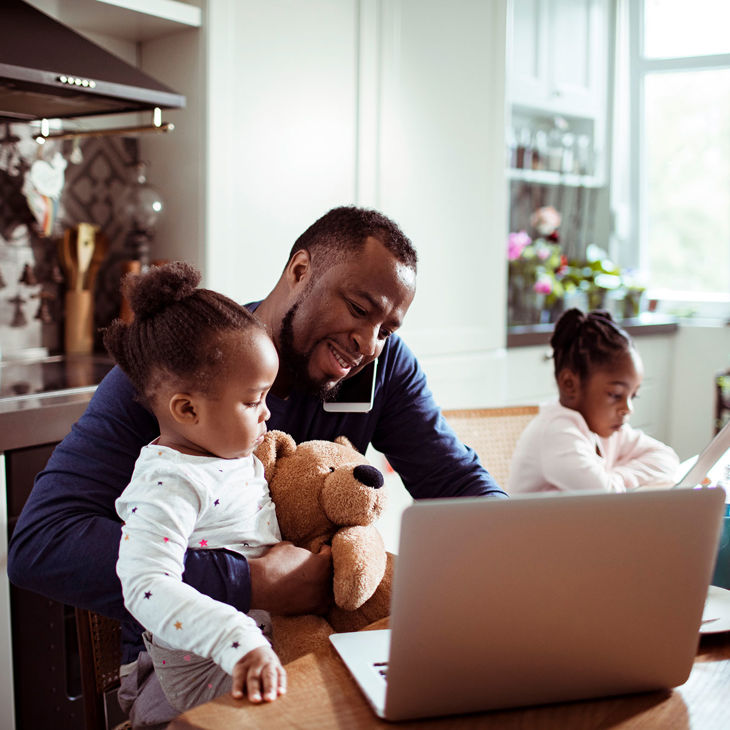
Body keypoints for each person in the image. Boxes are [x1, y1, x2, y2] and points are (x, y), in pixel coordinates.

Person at [8, 205, 506, 727]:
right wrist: (249, 580)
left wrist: (528, 551)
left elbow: (456, 482)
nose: (369, 343)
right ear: (299, 272)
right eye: (360, 308)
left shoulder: (382, 368)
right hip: (196, 669)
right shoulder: (186, 371)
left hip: (316, 646)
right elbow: (43, 544)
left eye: (387, 327)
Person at [107, 262, 286, 712]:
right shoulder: (169, 482)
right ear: (187, 410)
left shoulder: (226, 456)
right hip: (210, 674)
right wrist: (237, 638)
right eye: (253, 401)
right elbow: (146, 583)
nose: (266, 414)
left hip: (265, 645)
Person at [508, 308, 680, 494]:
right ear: (569, 384)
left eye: (633, 396)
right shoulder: (556, 431)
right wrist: (617, 481)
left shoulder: (608, 430)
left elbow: (667, 458)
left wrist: (617, 477)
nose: (627, 408)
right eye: (615, 395)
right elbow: (605, 495)